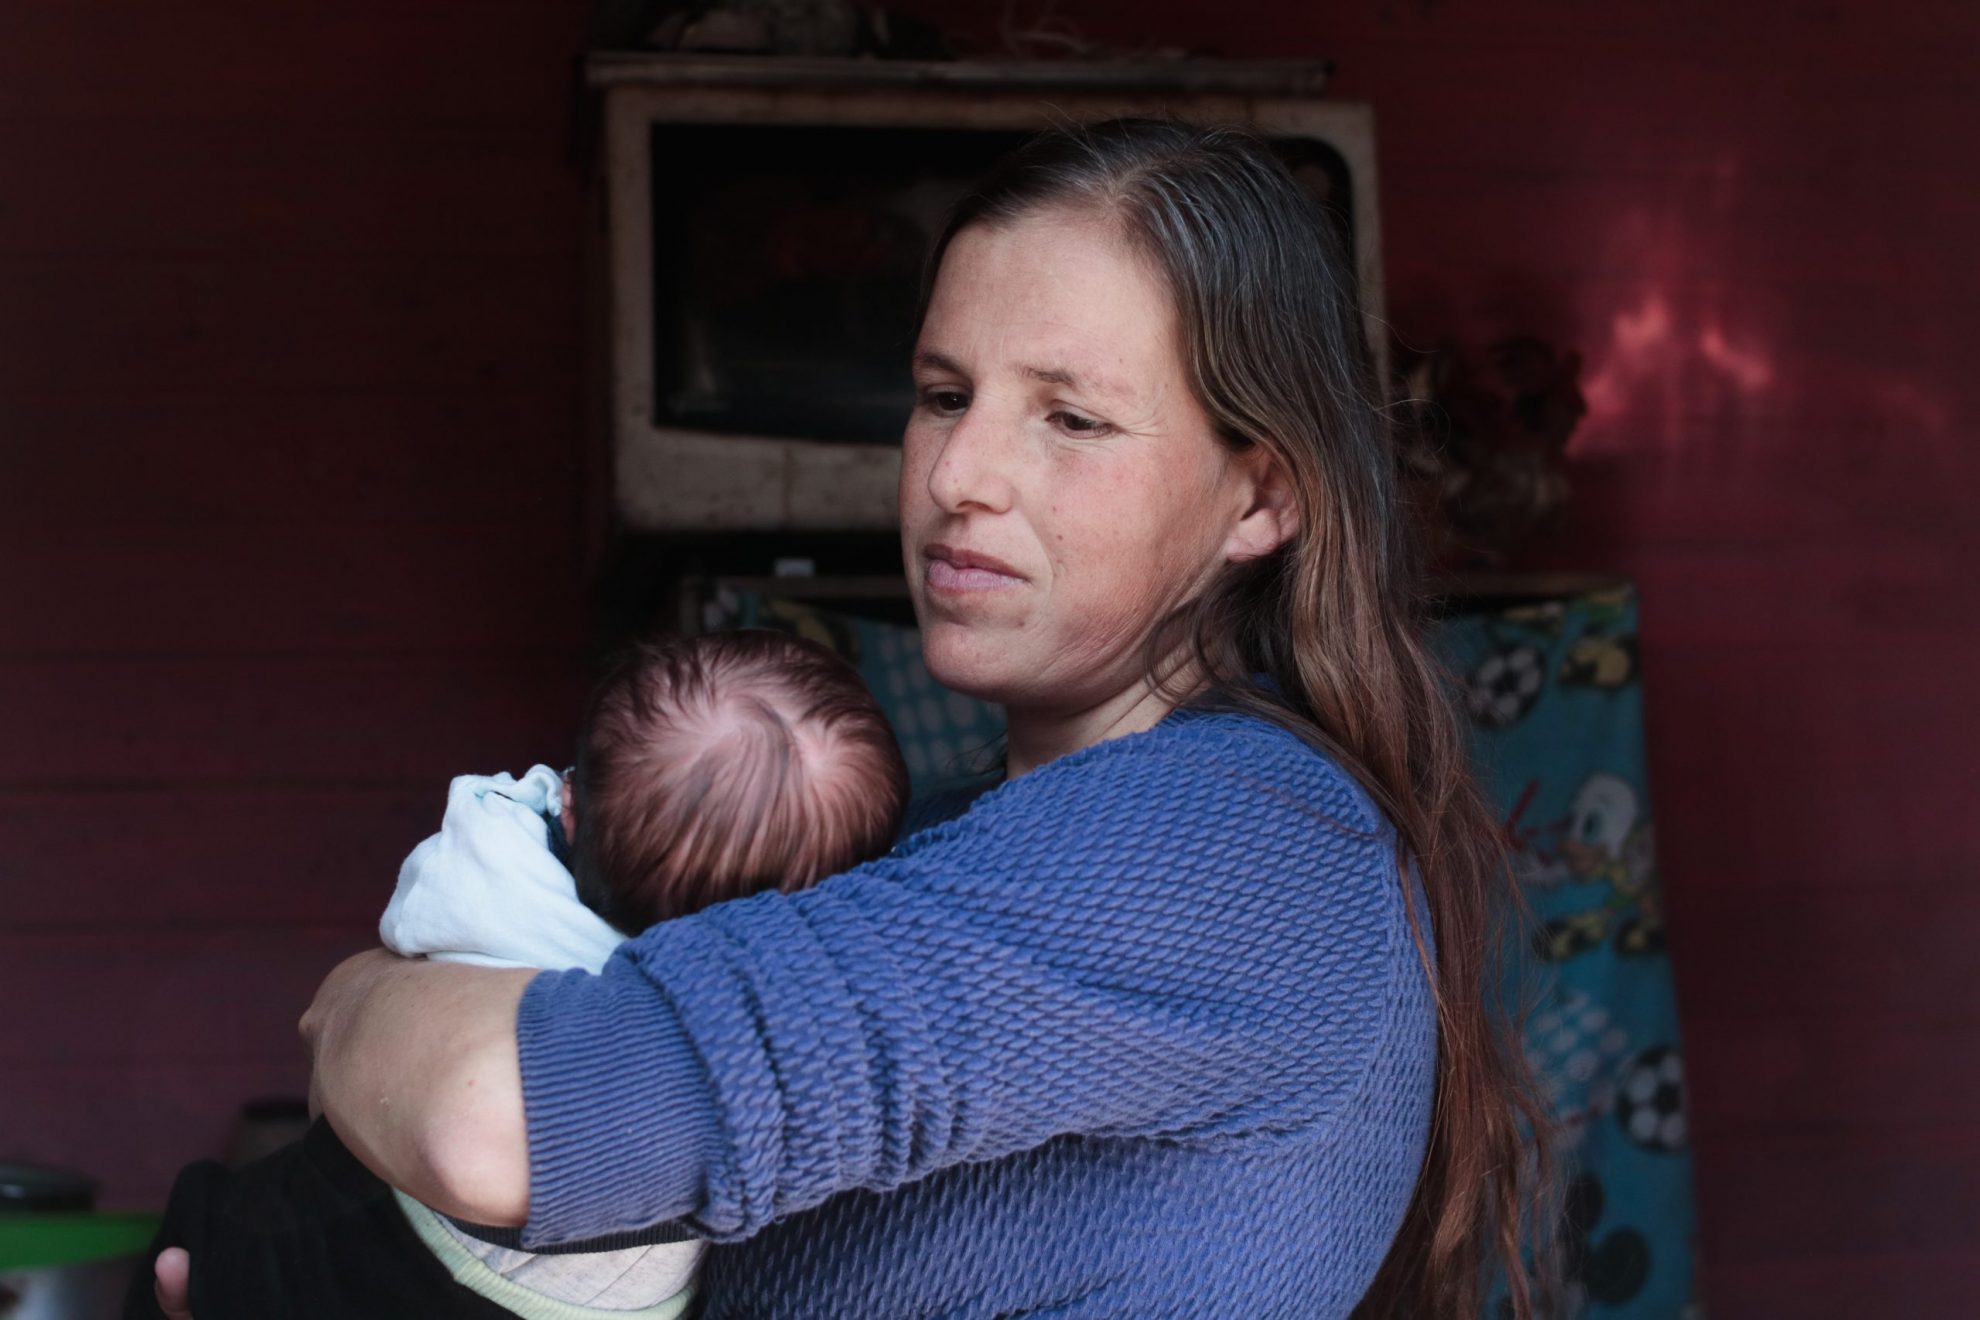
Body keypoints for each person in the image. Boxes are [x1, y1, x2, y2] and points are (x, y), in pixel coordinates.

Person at [162, 117, 1552, 1318]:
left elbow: (496, 1120)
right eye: (945, 395)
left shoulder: (1232, 844)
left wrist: (356, 994)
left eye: (1070, 419)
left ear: (1262, 496)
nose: (959, 474)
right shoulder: (951, 851)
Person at [134, 631, 910, 1319]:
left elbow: (413, 915)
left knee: (205, 1228)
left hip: (387, 1235)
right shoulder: (793, 1022)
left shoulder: (494, 870)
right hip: (594, 1299)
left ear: (571, 807)